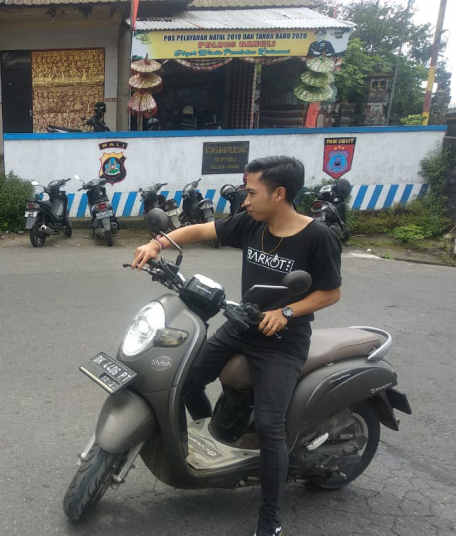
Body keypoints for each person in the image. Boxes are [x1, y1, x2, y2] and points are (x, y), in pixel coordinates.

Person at [132, 156, 342, 536]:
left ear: (279, 194)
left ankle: (270, 520)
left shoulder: (317, 236)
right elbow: (198, 231)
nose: (244, 201)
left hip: (283, 340)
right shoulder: (251, 223)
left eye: (251, 192)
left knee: (269, 425)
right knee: (189, 381)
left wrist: (289, 312)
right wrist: (156, 244)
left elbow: (330, 293)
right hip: (243, 323)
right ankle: (217, 432)